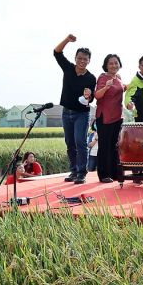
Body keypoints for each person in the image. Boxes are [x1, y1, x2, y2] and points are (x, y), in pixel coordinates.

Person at [54, 34, 96, 185]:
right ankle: (73, 170)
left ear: (89, 61)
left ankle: (81, 173)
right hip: (66, 112)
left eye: (85, 59)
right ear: (75, 58)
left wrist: (89, 96)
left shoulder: (91, 78)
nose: (82, 61)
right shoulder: (68, 68)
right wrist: (66, 40)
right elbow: (56, 52)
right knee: (69, 142)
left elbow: (91, 98)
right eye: (80, 58)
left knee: (80, 141)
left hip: (81, 114)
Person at [94, 54, 127, 183]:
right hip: (105, 117)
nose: (114, 65)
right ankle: (104, 174)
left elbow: (123, 88)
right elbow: (97, 95)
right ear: (106, 65)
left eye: (116, 63)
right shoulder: (103, 78)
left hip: (118, 117)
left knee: (115, 146)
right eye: (111, 63)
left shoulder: (118, 78)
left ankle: (115, 173)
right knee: (105, 146)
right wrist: (106, 87)